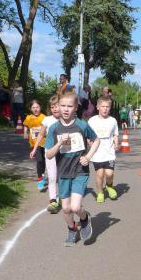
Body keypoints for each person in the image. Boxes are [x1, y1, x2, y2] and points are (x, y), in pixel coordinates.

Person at [45, 92, 100, 246]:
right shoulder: (54, 128)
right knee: (66, 209)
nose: (66, 109)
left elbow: (96, 140)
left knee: (75, 206)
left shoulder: (82, 125)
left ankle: (85, 219)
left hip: (79, 171)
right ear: (58, 107)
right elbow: (49, 154)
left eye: (70, 106)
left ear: (76, 107)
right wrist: (59, 144)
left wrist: (88, 156)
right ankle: (72, 229)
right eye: (62, 106)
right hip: (63, 172)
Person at [31, 95, 62, 214]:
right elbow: (40, 135)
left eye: (56, 106)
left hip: (63, 152)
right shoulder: (47, 120)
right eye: (52, 107)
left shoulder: (66, 119)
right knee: (52, 176)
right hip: (50, 152)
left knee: (62, 176)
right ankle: (53, 200)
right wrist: (34, 149)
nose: (54, 109)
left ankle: (63, 196)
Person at [88, 96, 119, 203]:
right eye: (103, 106)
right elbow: (88, 134)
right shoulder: (92, 120)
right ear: (98, 107)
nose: (105, 109)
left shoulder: (113, 120)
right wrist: (89, 142)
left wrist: (116, 143)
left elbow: (115, 134)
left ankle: (109, 186)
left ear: (110, 108)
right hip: (97, 151)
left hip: (109, 151)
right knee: (100, 174)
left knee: (109, 173)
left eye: (107, 107)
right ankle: (100, 192)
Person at [23, 99, 47, 191]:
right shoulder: (29, 118)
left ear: (40, 107)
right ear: (30, 108)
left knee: (43, 160)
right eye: (33, 107)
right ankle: (40, 179)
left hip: (44, 142)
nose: (35, 109)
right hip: (34, 143)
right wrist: (25, 132)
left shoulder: (44, 117)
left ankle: (42, 175)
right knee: (39, 160)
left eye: (37, 107)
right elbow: (25, 125)